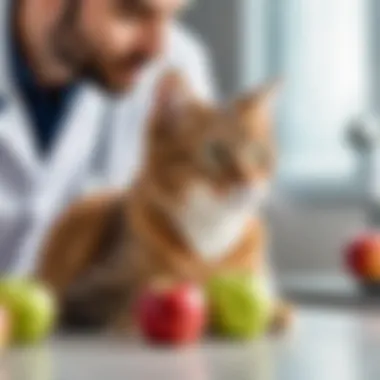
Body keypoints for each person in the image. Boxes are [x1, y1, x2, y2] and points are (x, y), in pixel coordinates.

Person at [0, 0, 215, 274]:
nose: (156, 49)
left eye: (172, 16)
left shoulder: (176, 73)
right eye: (131, 12)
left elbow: (200, 260)